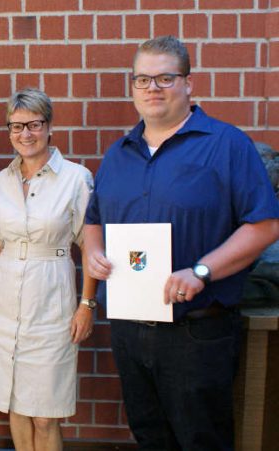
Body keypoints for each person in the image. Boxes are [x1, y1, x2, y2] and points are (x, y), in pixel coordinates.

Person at [83, 35, 279, 450]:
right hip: (130, 327)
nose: (152, 88)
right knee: (149, 435)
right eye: (142, 79)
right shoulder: (119, 153)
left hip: (196, 331)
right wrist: (94, 253)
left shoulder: (227, 145)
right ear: (132, 87)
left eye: (165, 78)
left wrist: (202, 271)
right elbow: (93, 221)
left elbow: (264, 225)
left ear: (189, 83)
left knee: (200, 440)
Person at [0, 88, 96, 450]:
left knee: (44, 413)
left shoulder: (76, 179)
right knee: (15, 403)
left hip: (50, 304)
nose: (25, 134)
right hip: (5, 304)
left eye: (33, 124)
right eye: (16, 126)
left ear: (49, 126)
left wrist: (87, 305)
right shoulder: (1, 182)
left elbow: (89, 244)